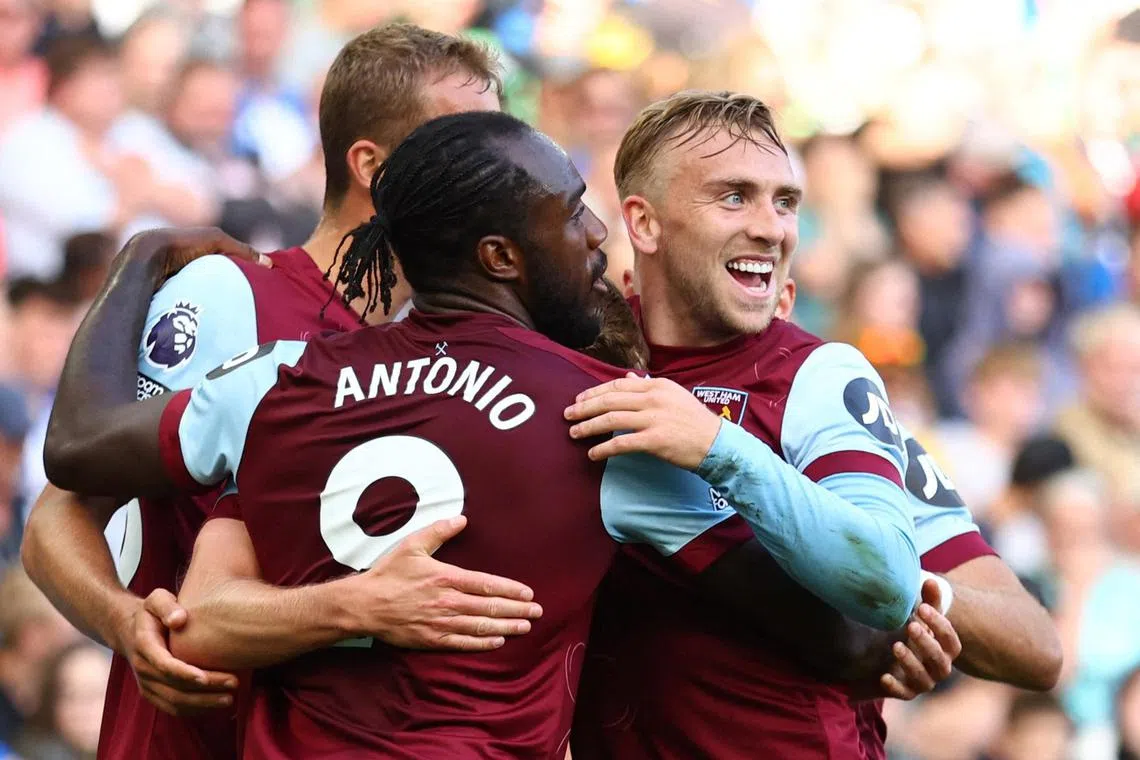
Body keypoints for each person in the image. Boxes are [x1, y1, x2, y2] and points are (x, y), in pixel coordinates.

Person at [43, 110, 937, 757]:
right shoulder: (600, 418)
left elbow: (83, 457)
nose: (596, 238)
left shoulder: (278, 382)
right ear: (503, 258)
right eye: (573, 212)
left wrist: (139, 258)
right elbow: (844, 636)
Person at [20, 23, 535, 760]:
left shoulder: (447, 341)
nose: (490, 171)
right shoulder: (230, 295)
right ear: (373, 168)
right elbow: (57, 518)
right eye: (463, 143)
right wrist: (123, 620)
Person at [565, 90, 1061, 758]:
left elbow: (1034, 645)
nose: (773, 228)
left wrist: (906, 607)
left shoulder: (819, 380)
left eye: (786, 202)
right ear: (645, 225)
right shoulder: (576, 368)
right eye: (734, 197)